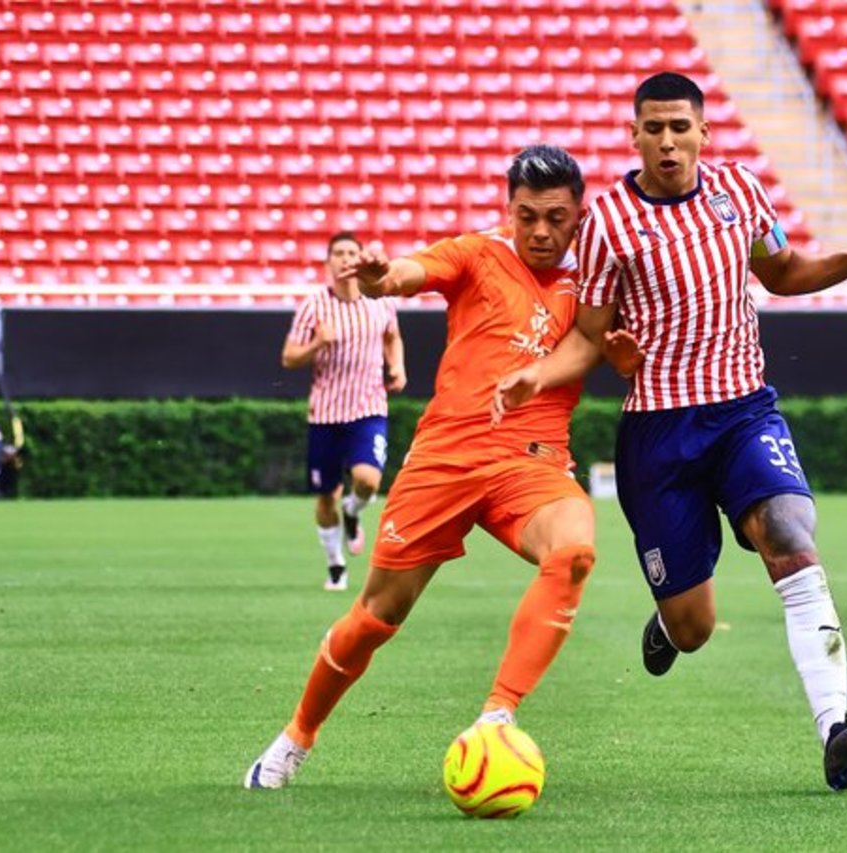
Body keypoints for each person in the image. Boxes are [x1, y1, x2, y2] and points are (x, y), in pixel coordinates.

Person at [492, 72, 847, 791]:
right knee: (694, 627)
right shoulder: (607, 224)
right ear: (634, 136)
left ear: (703, 132)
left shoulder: (740, 192)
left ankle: (835, 732)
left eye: (679, 127)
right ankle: (668, 626)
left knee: (790, 532)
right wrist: (558, 369)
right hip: (658, 436)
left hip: (743, 412)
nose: (667, 142)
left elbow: (782, 271)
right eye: (653, 129)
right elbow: (591, 333)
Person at [247, 145, 638, 790]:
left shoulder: (596, 281)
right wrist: (381, 276)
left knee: (573, 552)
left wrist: (621, 361)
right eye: (527, 216)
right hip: (446, 456)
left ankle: (496, 717)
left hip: (532, 460)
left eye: (556, 218)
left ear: (579, 215)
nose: (541, 231)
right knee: (376, 616)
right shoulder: (476, 253)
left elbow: (604, 347)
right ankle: (296, 737)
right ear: (508, 210)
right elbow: (408, 273)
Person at [282, 232, 406, 591]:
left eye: (352, 252)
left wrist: (397, 366)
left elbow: (392, 336)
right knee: (326, 496)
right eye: (338, 253)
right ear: (329, 262)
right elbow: (289, 357)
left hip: (368, 408)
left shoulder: (380, 302)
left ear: (360, 259)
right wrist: (318, 343)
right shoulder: (314, 306)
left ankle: (353, 511)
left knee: (369, 480)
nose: (345, 258)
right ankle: (335, 564)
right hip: (326, 414)